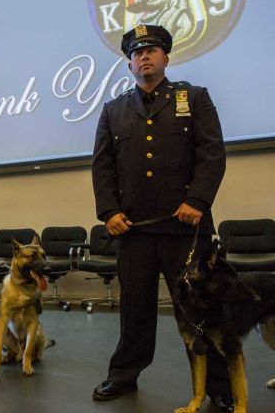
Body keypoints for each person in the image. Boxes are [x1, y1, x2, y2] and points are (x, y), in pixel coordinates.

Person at [91, 24, 233, 411]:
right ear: (130, 63)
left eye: (152, 50)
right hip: (134, 231)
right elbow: (102, 167)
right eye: (137, 52)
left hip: (185, 227)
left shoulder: (195, 98)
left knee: (200, 309)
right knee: (134, 309)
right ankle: (123, 375)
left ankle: (220, 386)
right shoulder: (113, 110)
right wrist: (109, 212)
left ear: (166, 57)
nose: (145, 56)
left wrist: (198, 200)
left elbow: (212, 154)